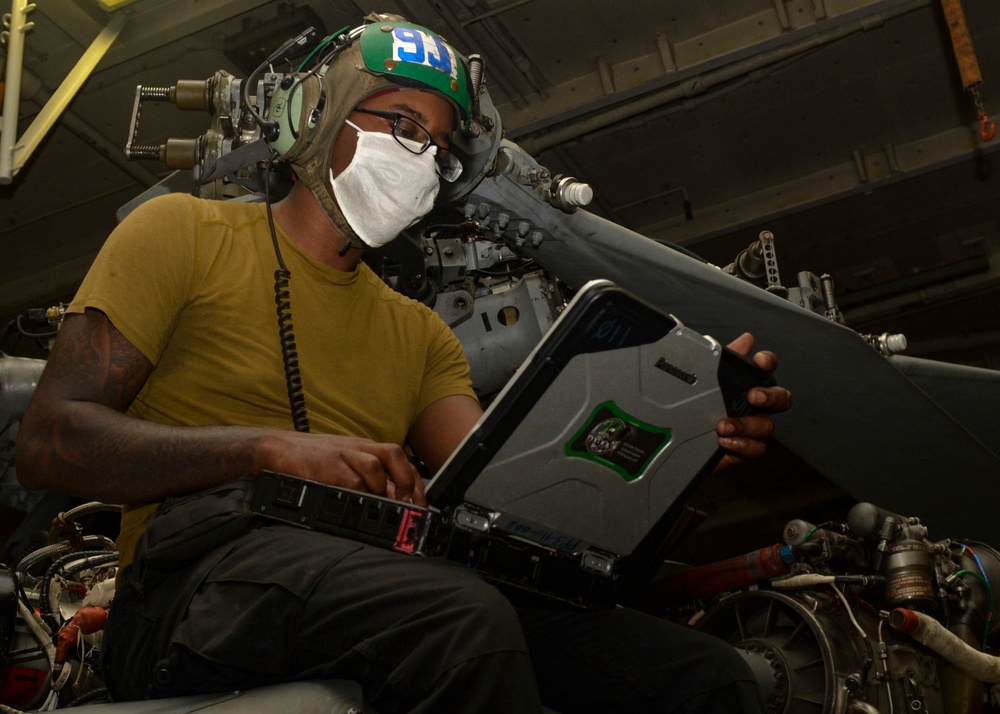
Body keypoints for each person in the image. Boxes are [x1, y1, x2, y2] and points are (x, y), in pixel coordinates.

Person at [15, 13, 793, 714]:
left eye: (442, 146)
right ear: (314, 116)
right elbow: (50, 440)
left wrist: (681, 450)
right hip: (187, 591)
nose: (425, 158)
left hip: (379, 583)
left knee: (704, 677)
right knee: (460, 620)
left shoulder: (421, 335)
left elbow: (514, 508)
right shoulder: (179, 234)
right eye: (403, 124)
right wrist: (265, 450)